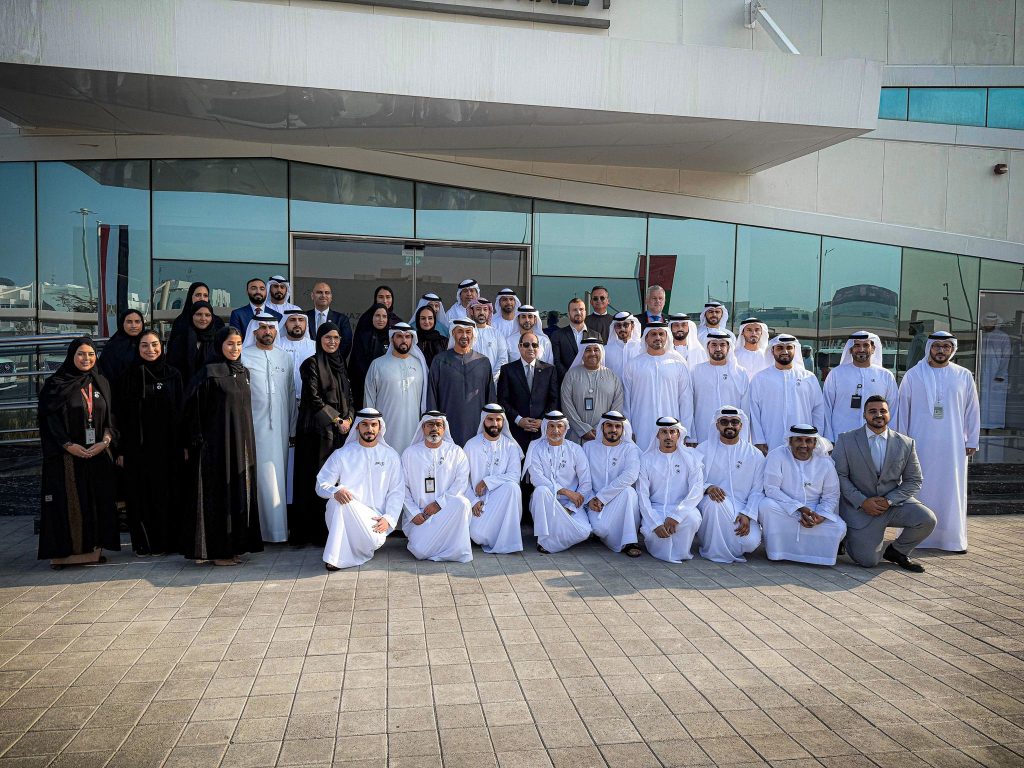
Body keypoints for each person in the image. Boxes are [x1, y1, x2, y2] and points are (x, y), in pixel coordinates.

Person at [182, 326, 263, 565]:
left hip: (241, 443)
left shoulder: (243, 372)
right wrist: (197, 439)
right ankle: (219, 552)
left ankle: (235, 546)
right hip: (216, 447)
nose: (235, 348)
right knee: (219, 496)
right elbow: (192, 408)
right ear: (219, 345)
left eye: (238, 344)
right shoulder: (209, 373)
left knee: (239, 494)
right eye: (230, 344)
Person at [37, 338, 120, 568]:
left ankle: (93, 551)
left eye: (91, 354)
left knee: (95, 502)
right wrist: (67, 445)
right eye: (81, 354)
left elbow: (111, 416)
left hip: (97, 454)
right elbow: (49, 420)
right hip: (67, 457)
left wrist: (106, 441)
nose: (86, 359)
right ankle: (65, 554)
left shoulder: (101, 381)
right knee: (70, 504)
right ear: (71, 356)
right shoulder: (56, 384)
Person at [896, 331, 980, 552]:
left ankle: (951, 540)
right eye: (937, 346)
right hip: (919, 444)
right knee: (919, 488)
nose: (941, 350)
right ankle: (916, 538)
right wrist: (901, 442)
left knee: (951, 491)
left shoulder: (963, 375)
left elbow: (972, 410)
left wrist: (972, 439)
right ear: (929, 348)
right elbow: (902, 411)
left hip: (953, 446)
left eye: (946, 346)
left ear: (952, 349)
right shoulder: (913, 375)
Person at [832, 396, 935, 572]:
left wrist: (889, 500)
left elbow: (914, 480)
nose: (878, 415)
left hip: (892, 505)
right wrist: (862, 501)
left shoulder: (906, 443)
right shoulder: (846, 440)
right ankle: (847, 537)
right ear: (864, 414)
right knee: (868, 561)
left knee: (927, 519)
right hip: (860, 508)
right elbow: (838, 476)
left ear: (889, 414)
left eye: (883, 411)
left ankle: (897, 551)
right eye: (872, 411)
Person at [114, 330, 184, 556]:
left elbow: (181, 411)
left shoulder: (173, 375)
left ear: (162, 347)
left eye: (154, 344)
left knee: (168, 494)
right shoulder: (127, 376)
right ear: (138, 348)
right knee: (140, 497)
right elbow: (120, 416)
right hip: (137, 449)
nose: (150, 349)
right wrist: (120, 450)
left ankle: (169, 543)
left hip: (168, 448)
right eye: (144, 345)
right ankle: (144, 544)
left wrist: (184, 445)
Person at [317, 408, 404, 571]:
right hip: (346, 516)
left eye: (373, 425)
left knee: (341, 503)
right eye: (365, 424)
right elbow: (321, 485)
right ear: (357, 426)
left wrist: (389, 518)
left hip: (374, 524)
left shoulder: (391, 456)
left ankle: (342, 554)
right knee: (337, 501)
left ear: (380, 427)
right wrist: (335, 491)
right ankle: (335, 558)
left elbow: (397, 492)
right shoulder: (342, 454)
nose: (369, 429)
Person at [293, 322, 355, 547]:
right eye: (328, 337)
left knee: (335, 479)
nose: (332, 342)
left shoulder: (341, 364)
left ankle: (331, 530)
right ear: (319, 340)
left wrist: (349, 419)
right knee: (315, 479)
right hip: (316, 433)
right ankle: (313, 533)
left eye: (336, 338)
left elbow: (349, 397)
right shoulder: (310, 364)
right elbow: (313, 397)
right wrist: (337, 420)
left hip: (338, 433)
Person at [241, 314, 296, 544]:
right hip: (253, 428)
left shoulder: (284, 357)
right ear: (254, 331)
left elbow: (291, 393)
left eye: (271, 327)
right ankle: (257, 532)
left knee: (277, 479)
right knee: (258, 479)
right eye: (262, 327)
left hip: (280, 429)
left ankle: (277, 531)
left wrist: (292, 428)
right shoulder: (244, 356)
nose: (267, 331)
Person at [758, 425, 844, 566]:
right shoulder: (777, 456)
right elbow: (771, 489)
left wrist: (821, 516)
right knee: (766, 506)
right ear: (790, 441)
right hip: (785, 508)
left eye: (808, 441)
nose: (804, 445)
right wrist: (799, 508)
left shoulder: (825, 463)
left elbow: (831, 495)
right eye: (798, 440)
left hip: (814, 510)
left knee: (839, 527)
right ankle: (778, 553)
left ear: (815, 443)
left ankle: (815, 556)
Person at [695, 407, 764, 563]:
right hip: (711, 504)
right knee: (716, 503)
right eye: (724, 422)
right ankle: (714, 551)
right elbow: (694, 481)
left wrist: (748, 514)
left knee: (750, 543)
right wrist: (708, 487)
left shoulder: (755, 454)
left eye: (734, 422)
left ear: (741, 425)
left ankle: (730, 542)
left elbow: (758, 490)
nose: (730, 425)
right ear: (717, 425)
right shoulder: (703, 450)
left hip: (742, 508)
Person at [401, 411, 473, 563]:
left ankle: (453, 551)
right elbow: (402, 488)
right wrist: (413, 513)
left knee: (463, 503)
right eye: (430, 424)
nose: (434, 428)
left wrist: (439, 504)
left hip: (446, 513)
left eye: (439, 425)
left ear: (444, 428)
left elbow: (461, 484)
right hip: (420, 516)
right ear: (423, 428)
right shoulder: (409, 454)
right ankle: (445, 548)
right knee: (420, 552)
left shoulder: (456, 452)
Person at [523, 411, 593, 554]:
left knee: (584, 531)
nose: (555, 430)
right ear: (545, 428)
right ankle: (544, 541)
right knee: (541, 490)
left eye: (559, 426)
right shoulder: (536, 448)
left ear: (565, 428)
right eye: (551, 426)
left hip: (571, 503)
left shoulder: (575, 449)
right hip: (545, 501)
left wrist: (570, 508)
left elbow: (586, 483)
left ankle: (554, 537)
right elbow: (537, 479)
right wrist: (565, 491)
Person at [637, 417, 703, 563]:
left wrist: (676, 516)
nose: (668, 436)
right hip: (655, 509)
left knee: (693, 518)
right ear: (657, 435)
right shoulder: (646, 459)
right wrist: (655, 523)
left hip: (682, 509)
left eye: (672, 432)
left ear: (679, 434)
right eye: (664, 432)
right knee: (656, 534)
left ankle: (681, 553)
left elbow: (696, 490)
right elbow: (642, 495)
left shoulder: (691, 458)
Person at [623, 322, 694, 451]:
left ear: (667, 337)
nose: (658, 337)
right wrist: (628, 431)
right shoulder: (633, 364)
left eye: (661, 334)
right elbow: (626, 400)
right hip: (641, 426)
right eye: (653, 334)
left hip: (671, 428)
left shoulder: (678, 364)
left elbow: (686, 400)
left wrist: (686, 431)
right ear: (646, 338)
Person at [464, 404, 524, 554]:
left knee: (513, 487)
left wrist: (487, 481)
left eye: (498, 419)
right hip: (479, 502)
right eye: (490, 419)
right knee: (477, 535)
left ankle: (509, 542)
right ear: (483, 420)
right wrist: (473, 500)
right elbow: (462, 479)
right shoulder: (471, 445)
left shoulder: (510, 446)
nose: (494, 423)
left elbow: (515, 476)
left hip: (501, 501)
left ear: (503, 422)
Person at [748, 334, 824, 453]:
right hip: (770, 440)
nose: (785, 351)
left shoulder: (809, 377)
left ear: (795, 350)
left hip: (803, 441)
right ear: (772, 351)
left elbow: (818, 410)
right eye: (780, 348)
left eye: (789, 347)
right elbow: (754, 411)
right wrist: (759, 440)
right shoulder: (760, 378)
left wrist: (816, 438)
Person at [426, 319, 495, 446]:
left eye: (468, 332)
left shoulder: (483, 362)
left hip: (477, 427)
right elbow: (432, 395)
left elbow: (490, 397)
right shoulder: (440, 360)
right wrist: (434, 423)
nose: (464, 336)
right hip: (447, 426)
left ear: (473, 334)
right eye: (460, 331)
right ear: (453, 333)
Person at [583, 411, 642, 557]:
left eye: (618, 426)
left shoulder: (630, 449)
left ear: (623, 429)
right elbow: (582, 478)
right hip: (594, 501)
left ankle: (630, 541)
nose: (613, 429)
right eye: (609, 425)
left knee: (629, 491)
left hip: (619, 500)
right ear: (602, 427)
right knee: (600, 530)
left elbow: (631, 475)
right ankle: (607, 536)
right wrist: (590, 498)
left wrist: (602, 497)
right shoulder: (588, 447)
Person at [364, 322, 428, 454]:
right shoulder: (377, 364)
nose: (404, 340)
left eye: (408, 336)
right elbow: (369, 401)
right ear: (392, 338)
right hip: (385, 431)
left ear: (412, 339)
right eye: (399, 336)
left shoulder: (420, 365)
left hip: (413, 431)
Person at [822, 331, 898, 441]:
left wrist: (890, 440)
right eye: (857, 345)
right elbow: (826, 408)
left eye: (866, 345)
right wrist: (829, 439)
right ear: (850, 349)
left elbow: (893, 410)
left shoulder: (886, 376)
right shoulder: (836, 374)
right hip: (841, 437)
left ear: (873, 349)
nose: (861, 349)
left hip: (875, 439)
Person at [497, 331, 559, 453]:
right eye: (526, 345)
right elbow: (502, 400)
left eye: (534, 345)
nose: (530, 348)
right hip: (516, 432)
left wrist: (543, 420)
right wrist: (518, 419)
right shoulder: (507, 370)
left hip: (542, 432)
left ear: (538, 348)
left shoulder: (549, 370)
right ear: (519, 347)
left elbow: (554, 399)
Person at [560, 337, 624, 444]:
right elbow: (566, 405)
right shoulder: (571, 375)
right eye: (588, 350)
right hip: (577, 435)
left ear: (601, 352)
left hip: (603, 435)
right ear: (582, 353)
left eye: (596, 350)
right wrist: (583, 430)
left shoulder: (612, 376)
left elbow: (617, 405)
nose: (592, 353)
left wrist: (603, 428)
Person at [690, 332, 750, 445]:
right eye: (714, 345)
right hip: (702, 430)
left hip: (731, 431)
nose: (718, 349)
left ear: (728, 348)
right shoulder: (696, 371)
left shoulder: (740, 372)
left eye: (722, 345)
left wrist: (744, 437)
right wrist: (691, 436)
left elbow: (745, 407)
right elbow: (689, 404)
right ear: (707, 347)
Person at [349, 303, 392, 408]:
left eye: (384, 316)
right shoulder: (362, 336)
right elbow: (357, 362)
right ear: (371, 317)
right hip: (362, 385)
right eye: (377, 315)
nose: (381, 319)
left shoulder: (392, 338)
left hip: (386, 387)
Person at [166, 300, 219, 386]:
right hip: (184, 388)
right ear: (192, 316)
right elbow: (172, 368)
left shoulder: (218, 340)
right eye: (199, 314)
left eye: (207, 315)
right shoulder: (180, 340)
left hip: (211, 389)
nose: (203, 318)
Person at [168, 282, 223, 356]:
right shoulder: (180, 321)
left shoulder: (217, 322)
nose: (202, 298)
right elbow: (172, 352)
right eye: (198, 295)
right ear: (190, 297)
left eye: (205, 295)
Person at [979, 313, 1011, 429]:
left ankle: (996, 425)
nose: (989, 324)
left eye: (991, 322)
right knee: (981, 400)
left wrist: (1001, 374)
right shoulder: (980, 336)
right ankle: (981, 424)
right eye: (987, 321)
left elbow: (1006, 356)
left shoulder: (1002, 336)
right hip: (981, 373)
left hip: (996, 375)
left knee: (996, 401)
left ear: (996, 322)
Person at [305, 281, 353, 358]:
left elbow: (346, 343)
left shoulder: (341, 319)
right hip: (309, 361)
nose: (323, 295)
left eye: (327, 293)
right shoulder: (304, 317)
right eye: (319, 292)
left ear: (331, 297)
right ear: (312, 296)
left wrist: (334, 360)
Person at [98, 308, 145, 382]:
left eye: (137, 322)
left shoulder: (148, 343)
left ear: (142, 324)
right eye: (129, 322)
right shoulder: (112, 346)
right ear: (122, 323)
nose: (134, 325)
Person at [276, 310, 316, 397]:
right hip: (282, 398)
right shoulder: (276, 346)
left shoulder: (315, 346)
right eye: (292, 320)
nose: (297, 324)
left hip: (309, 399)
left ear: (306, 324)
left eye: (301, 320)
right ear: (285, 324)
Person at [468, 297, 509, 382]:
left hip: (493, 382)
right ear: (471, 312)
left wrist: (492, 378)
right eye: (478, 309)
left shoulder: (497, 334)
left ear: (489, 312)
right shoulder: (467, 333)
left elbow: (503, 359)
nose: (482, 312)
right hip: (471, 381)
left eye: (485, 309)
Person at [551, 298, 588, 379]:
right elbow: (556, 360)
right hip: (565, 381)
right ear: (568, 314)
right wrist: (569, 377)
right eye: (574, 310)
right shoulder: (558, 335)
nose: (578, 312)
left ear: (585, 312)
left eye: (581, 309)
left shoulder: (595, 335)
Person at [605, 311, 641, 379]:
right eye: (618, 325)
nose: (622, 328)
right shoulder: (606, 350)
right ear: (614, 328)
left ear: (632, 326)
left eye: (625, 325)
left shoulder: (642, 348)